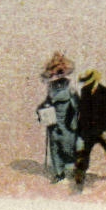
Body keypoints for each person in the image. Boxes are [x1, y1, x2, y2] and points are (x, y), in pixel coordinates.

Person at [72, 68, 106, 190]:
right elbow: (82, 113)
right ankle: (80, 173)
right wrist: (80, 130)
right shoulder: (84, 91)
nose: (85, 84)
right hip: (89, 130)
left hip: (103, 130)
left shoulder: (105, 92)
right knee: (84, 153)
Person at [36, 52, 78, 183]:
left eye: (60, 73)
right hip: (53, 120)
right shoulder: (51, 86)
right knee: (55, 146)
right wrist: (41, 108)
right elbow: (47, 100)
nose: (58, 76)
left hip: (67, 121)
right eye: (56, 73)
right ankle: (59, 173)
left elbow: (77, 104)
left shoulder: (70, 86)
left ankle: (74, 168)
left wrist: (75, 121)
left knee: (68, 145)